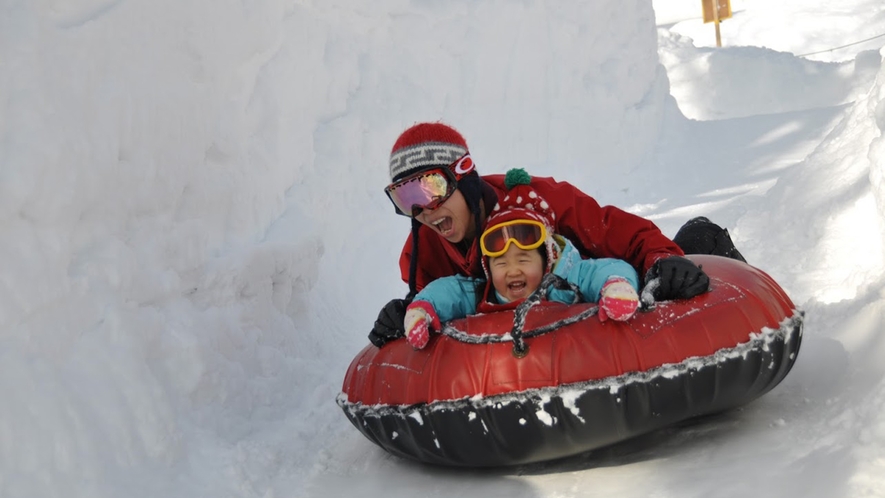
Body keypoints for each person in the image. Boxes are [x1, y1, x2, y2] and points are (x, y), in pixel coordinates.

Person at [370, 121, 711, 347]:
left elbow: (625, 234)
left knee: (700, 239)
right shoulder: (424, 247)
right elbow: (430, 299)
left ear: (464, 177)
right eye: (407, 198)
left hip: (600, 317)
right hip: (529, 352)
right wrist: (406, 311)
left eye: (432, 187)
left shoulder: (538, 201)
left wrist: (663, 259)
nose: (425, 210)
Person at [402, 169, 642, 349]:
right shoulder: (486, 293)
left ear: (546, 260)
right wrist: (423, 307)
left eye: (524, 259)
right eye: (501, 263)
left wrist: (615, 284)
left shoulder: (565, 281)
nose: (512, 270)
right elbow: (451, 291)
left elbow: (600, 270)